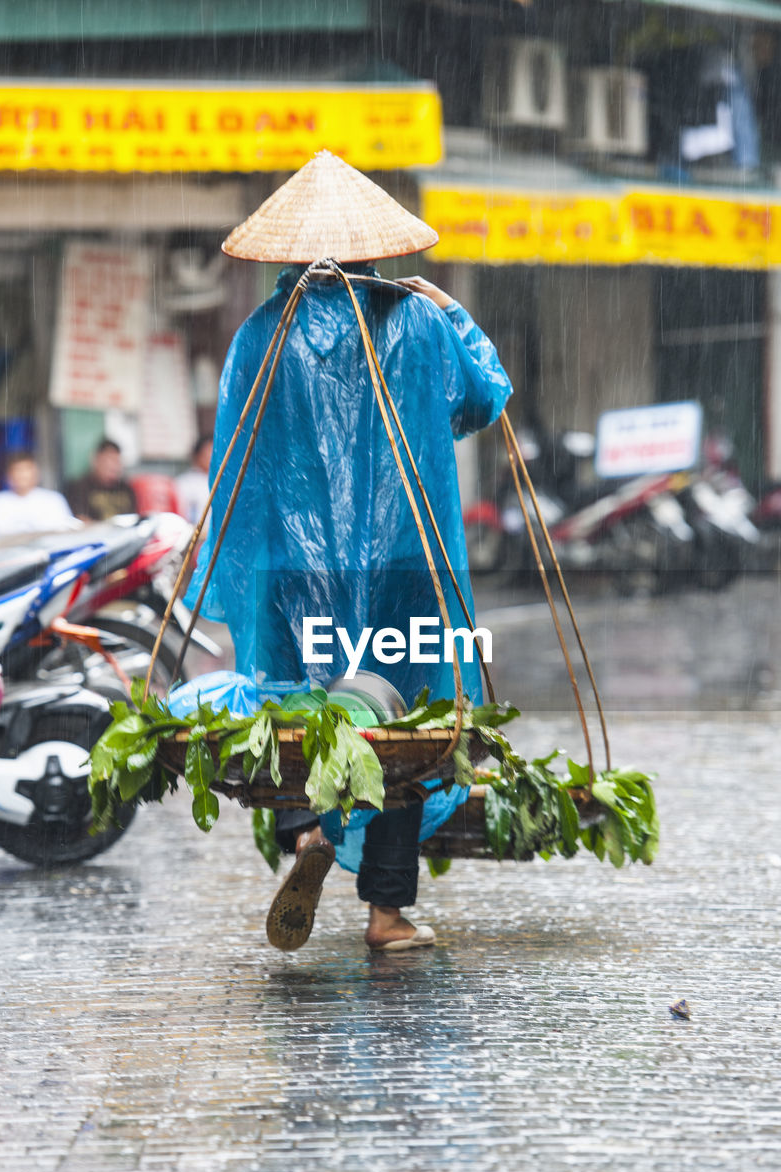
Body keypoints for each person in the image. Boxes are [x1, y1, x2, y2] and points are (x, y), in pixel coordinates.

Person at [187, 151, 511, 953]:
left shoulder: (261, 334)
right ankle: (386, 913)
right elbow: (481, 400)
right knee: (395, 725)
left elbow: (236, 458)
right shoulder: (418, 322)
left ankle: (305, 833)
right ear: (379, 250)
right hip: (403, 562)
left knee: (295, 703)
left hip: (289, 572)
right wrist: (451, 311)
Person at [0, 451, 78, 538]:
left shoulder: (53, 499)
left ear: (36, 474)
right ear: (9, 476)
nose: (22, 475)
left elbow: (66, 531)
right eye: (18, 470)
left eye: (26, 470)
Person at [66, 438, 137, 522]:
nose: (114, 466)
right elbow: (79, 521)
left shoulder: (126, 489)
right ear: (96, 460)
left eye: (117, 461)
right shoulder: (79, 488)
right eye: (109, 460)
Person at [175, 436, 213, 526]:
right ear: (197, 456)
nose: (212, 458)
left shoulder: (225, 482)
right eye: (209, 453)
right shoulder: (185, 483)